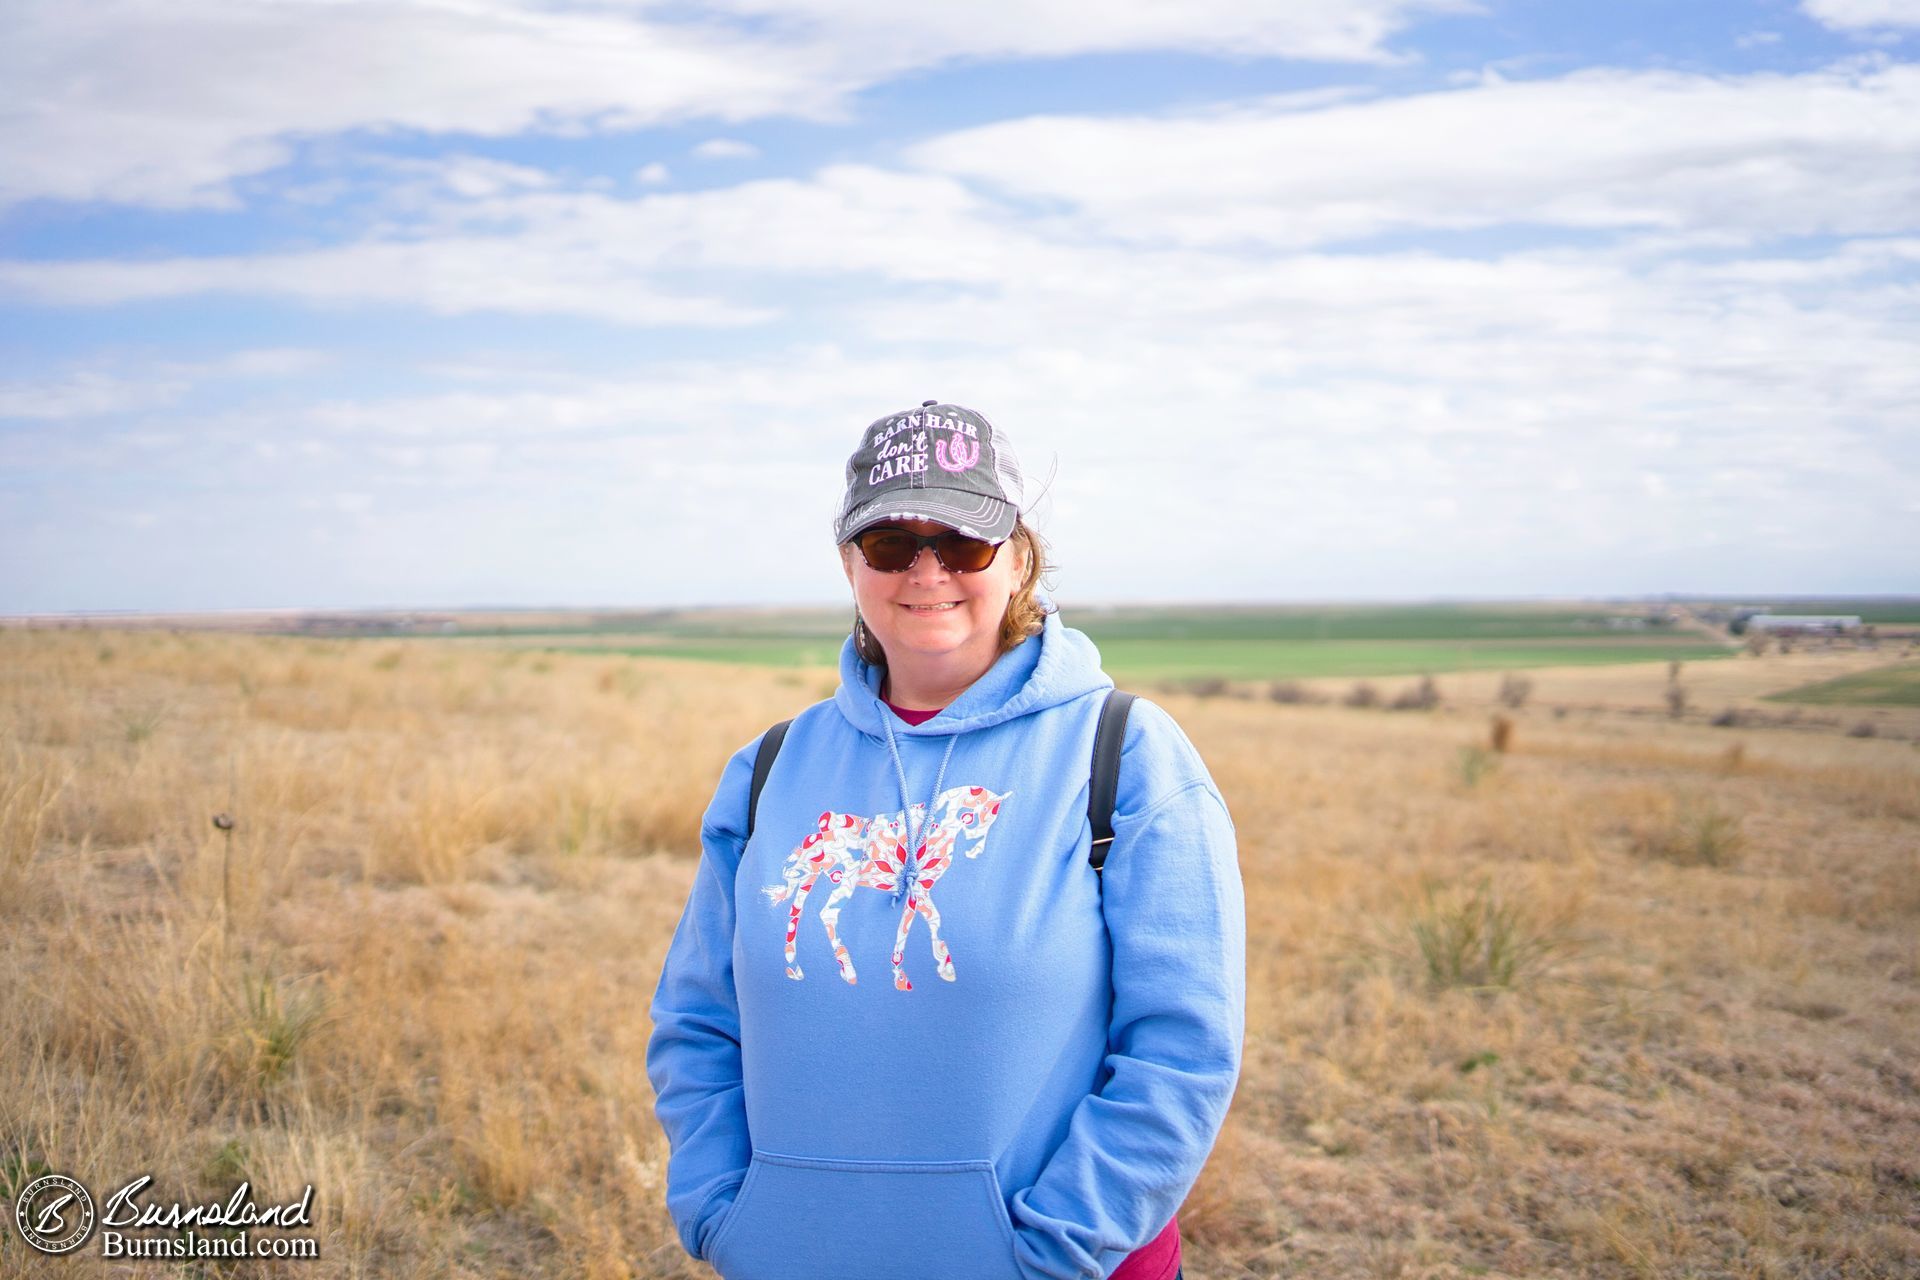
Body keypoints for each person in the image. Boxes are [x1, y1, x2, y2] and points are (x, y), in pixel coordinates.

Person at [645, 401, 1246, 1280]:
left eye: (962, 542)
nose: (926, 570)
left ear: (1018, 556)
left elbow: (1182, 1048)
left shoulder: (1127, 755)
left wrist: (1055, 1247)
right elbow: (698, 1019)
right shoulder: (771, 767)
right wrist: (726, 1212)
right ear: (850, 562)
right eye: (891, 543)